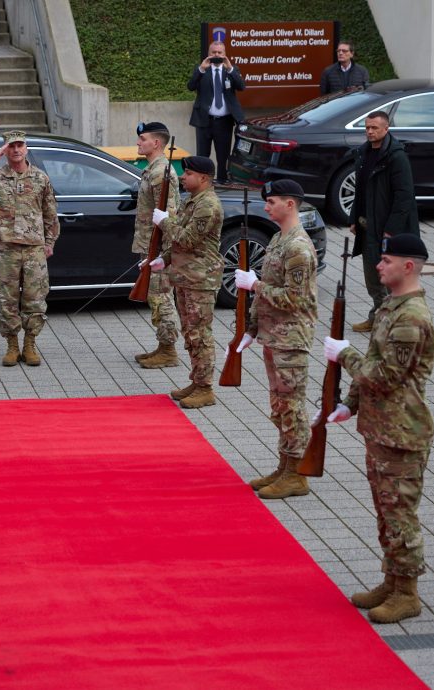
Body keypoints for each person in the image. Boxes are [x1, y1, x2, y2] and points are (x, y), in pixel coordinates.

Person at [323, 234, 434, 623]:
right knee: (385, 511)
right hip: (382, 427)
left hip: (402, 433)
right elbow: (375, 360)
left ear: (409, 266)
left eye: (386, 260)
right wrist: (349, 404)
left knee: (400, 514)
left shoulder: (411, 318)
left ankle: (407, 593)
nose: (378, 265)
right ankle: (392, 580)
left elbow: (386, 375)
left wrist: (345, 354)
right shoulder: (392, 307)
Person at [233, 180, 318, 499]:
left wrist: (255, 286)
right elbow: (271, 287)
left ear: (290, 204)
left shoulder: (297, 246)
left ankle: (296, 474)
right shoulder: (279, 238)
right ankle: (285, 465)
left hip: (291, 338)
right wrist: (252, 329)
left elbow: (295, 299)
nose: (266, 207)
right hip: (274, 334)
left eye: (272, 202)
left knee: (291, 406)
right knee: (280, 405)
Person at [0, 130, 59, 367]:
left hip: (34, 249)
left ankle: (30, 344)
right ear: (5, 150)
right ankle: (11, 345)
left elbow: (50, 213)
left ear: (26, 148)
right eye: (11, 146)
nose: (16, 150)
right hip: (5, 248)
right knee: (6, 299)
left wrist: (50, 242)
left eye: (20, 145)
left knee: (35, 298)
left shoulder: (41, 178)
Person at [151, 155, 224, 409]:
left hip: (200, 279)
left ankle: (205, 388)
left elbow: (188, 238)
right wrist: (165, 259)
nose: (183, 177)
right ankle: (197, 380)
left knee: (200, 334)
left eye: (188, 174)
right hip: (185, 276)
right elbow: (179, 243)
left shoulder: (208, 205)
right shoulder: (193, 201)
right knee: (190, 333)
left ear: (203, 178)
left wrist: (164, 222)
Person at [349, 110, 419, 333]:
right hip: (368, 228)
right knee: (373, 278)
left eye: (374, 128)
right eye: (367, 128)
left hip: (389, 230)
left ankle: (397, 322)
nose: (369, 132)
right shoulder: (363, 154)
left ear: (386, 129)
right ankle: (379, 317)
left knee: (391, 279)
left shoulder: (396, 157)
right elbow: (359, 191)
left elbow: (404, 196)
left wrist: (392, 230)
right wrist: (353, 218)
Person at [131, 121, 181, 369]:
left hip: (159, 244)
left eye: (143, 139)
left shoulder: (162, 172)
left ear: (157, 143)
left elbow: (168, 214)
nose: (139, 142)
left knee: (161, 296)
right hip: (150, 242)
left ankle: (169, 350)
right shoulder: (153, 169)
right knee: (156, 296)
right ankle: (162, 346)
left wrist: (164, 252)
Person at [187, 41, 245, 184]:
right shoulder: (202, 70)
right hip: (204, 121)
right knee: (202, 155)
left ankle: (222, 183)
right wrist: (201, 68)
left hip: (224, 122)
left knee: (223, 156)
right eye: (214, 52)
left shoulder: (231, 70)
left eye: (220, 53)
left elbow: (241, 86)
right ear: (209, 54)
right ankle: (202, 184)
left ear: (225, 54)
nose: (217, 55)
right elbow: (190, 86)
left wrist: (230, 68)